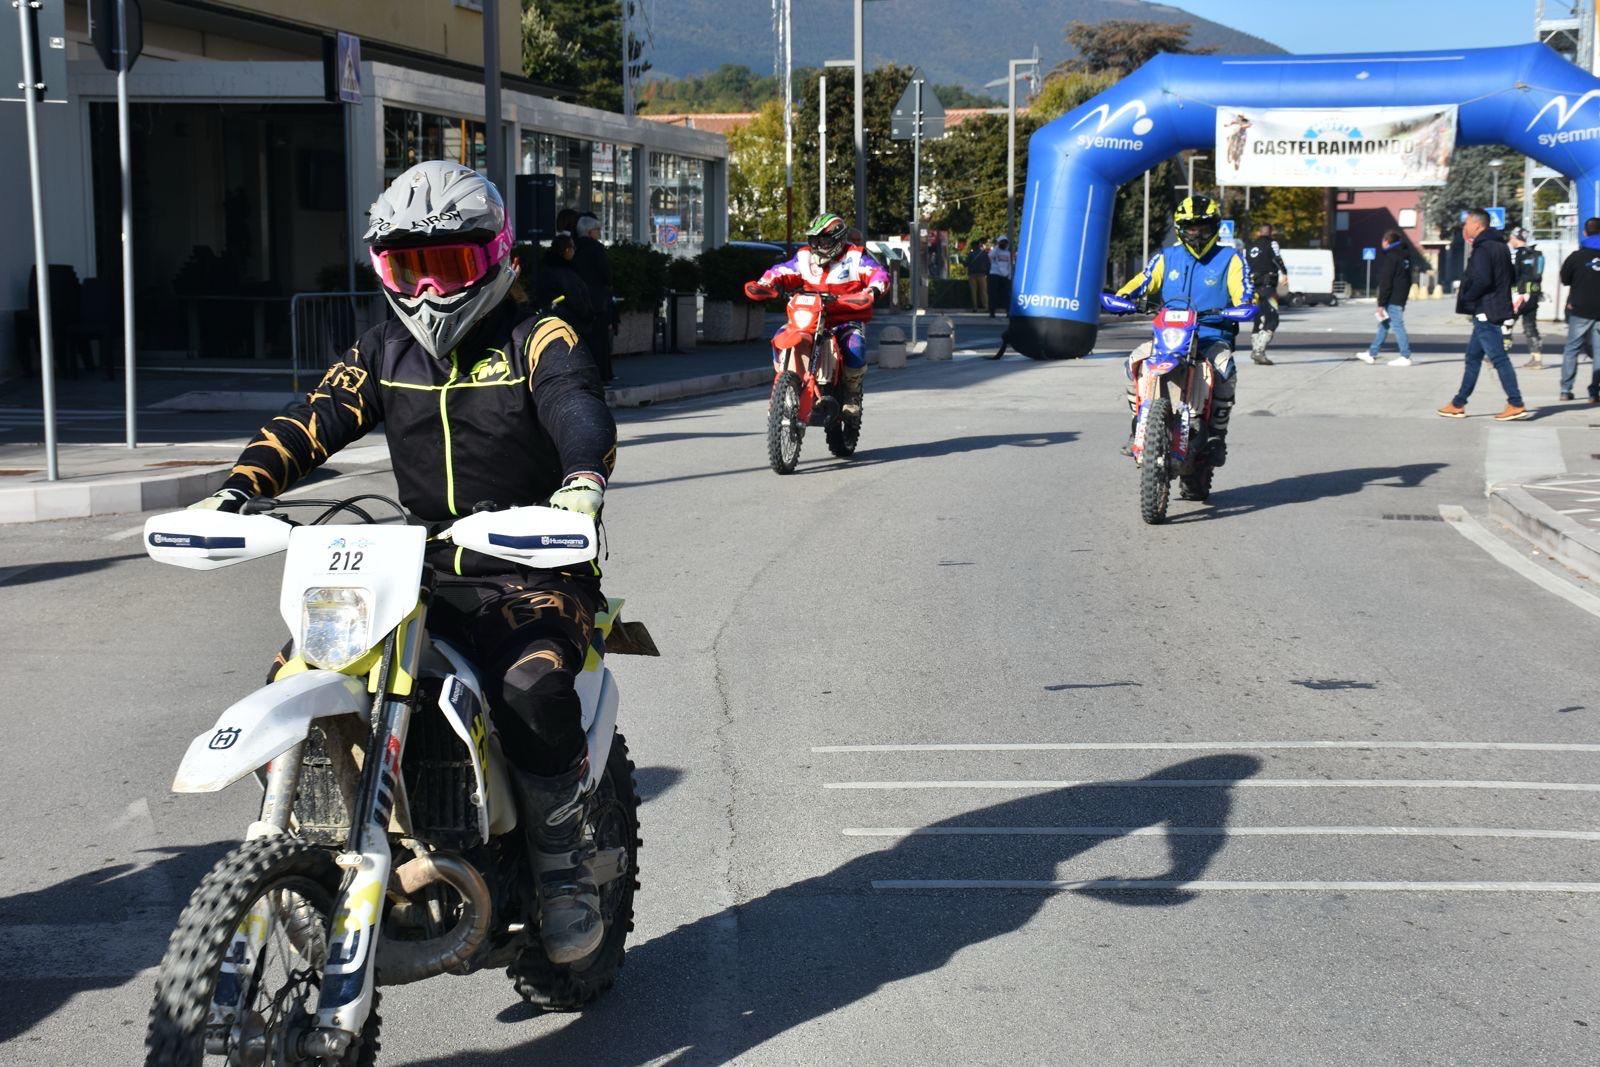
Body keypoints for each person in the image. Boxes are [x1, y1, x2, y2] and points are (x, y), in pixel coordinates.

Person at [189, 161, 618, 965]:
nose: (428, 290)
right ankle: (309, 847)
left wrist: (581, 487)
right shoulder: (384, 349)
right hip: (416, 568)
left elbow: (577, 406)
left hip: (531, 566)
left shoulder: (538, 338)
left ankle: (563, 869)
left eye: (448, 265)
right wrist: (239, 488)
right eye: (408, 267)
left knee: (530, 685)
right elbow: (314, 415)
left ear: (495, 258)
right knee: (298, 665)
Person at [1113, 195, 1255, 461]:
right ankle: (1137, 426)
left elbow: (1244, 292)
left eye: (1203, 228)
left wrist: (1244, 305)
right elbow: (1143, 281)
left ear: (1215, 228)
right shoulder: (1166, 257)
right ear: (1180, 229)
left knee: (1226, 369)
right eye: (1191, 228)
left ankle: (1217, 436)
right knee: (1134, 362)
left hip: (1211, 336)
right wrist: (1123, 298)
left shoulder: (1230, 258)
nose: (1197, 234)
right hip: (1168, 337)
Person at [743, 212, 889, 417]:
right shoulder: (804, 257)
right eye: (814, 240)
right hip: (807, 319)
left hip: (842, 320)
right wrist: (765, 284)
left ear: (838, 239)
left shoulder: (855, 257)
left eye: (824, 240)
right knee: (779, 336)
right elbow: (781, 271)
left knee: (854, 345)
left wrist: (872, 290)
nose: (818, 245)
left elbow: (878, 274)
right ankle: (785, 383)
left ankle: (852, 394)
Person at [1437, 208, 1529, 420]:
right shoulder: (1501, 246)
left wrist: (1467, 297)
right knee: (1473, 358)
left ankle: (1516, 403)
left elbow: (1483, 280)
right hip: (1493, 307)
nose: (1465, 227)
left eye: (1467, 223)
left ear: (1477, 225)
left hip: (1486, 310)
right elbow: (1510, 276)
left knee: (1499, 358)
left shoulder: (1483, 248)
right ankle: (1458, 403)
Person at [1356, 229, 1414, 366]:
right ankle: (1372, 353)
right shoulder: (1405, 257)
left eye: (1382, 240)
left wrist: (1381, 303)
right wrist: (1403, 298)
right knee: (1384, 325)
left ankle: (1405, 356)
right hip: (1400, 296)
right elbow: (1408, 280)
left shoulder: (1391, 256)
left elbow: (1386, 281)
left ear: (1387, 241)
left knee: (1397, 325)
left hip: (1392, 297)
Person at [1558, 216, 1600, 404]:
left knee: (1572, 348)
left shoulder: (1576, 256)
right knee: (1599, 351)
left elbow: (1565, 279)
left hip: (1580, 308)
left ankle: (1565, 390)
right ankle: (1594, 392)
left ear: (1585, 232)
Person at [571, 213, 615, 383]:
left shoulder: (574, 247)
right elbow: (606, 273)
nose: (599, 232)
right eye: (597, 229)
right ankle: (602, 375)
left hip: (579, 300)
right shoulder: (596, 248)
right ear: (590, 231)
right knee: (599, 340)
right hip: (596, 300)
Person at [1243, 222, 1287, 365]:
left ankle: (1256, 350)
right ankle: (1259, 351)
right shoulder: (1272, 244)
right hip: (1268, 287)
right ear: (1271, 232)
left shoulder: (1249, 246)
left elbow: (1243, 265)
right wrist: (1284, 273)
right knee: (1272, 318)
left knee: (1258, 319)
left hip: (1253, 288)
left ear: (1258, 232)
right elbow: (1276, 258)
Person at [533, 233, 596, 329]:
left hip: (551, 319)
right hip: (570, 322)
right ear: (567, 250)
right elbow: (574, 297)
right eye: (573, 248)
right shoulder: (564, 272)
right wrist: (587, 315)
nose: (574, 251)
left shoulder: (547, 268)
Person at [1509, 227, 1546, 368]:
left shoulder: (1516, 254)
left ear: (1516, 238)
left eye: (1512, 237)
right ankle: (1537, 358)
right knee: (1530, 325)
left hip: (1519, 295)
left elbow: (1510, 275)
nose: (1510, 240)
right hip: (1534, 294)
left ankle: (1497, 356)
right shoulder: (1536, 254)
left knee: (1506, 323)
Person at [987, 236, 1013, 318]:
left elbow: (1009, 264)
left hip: (1005, 276)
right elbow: (989, 256)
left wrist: (1009, 275)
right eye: (1002, 242)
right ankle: (992, 312)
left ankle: (1008, 312)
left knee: (1006, 295)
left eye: (1005, 242)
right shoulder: (995, 251)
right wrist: (997, 246)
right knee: (993, 294)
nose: (1003, 244)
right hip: (994, 274)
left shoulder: (1008, 253)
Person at [965, 239, 989, 311]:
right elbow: (988, 264)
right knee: (983, 291)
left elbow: (966, 264)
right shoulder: (984, 254)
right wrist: (987, 273)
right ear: (979, 245)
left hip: (972, 274)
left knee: (973, 292)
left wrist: (962, 261)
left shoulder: (971, 254)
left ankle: (975, 307)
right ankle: (986, 306)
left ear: (973, 246)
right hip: (982, 274)